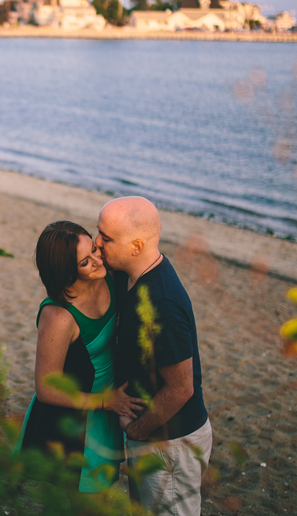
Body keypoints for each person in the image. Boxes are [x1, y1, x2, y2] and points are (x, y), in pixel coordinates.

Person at [94, 197, 211, 516]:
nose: (97, 243)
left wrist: (138, 430)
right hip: (149, 432)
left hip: (170, 440)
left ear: (136, 246)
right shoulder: (127, 275)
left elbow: (180, 388)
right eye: (98, 232)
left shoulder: (162, 303)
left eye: (106, 238)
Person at [15, 221, 145, 494]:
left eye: (95, 249)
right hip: (81, 413)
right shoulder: (59, 317)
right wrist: (104, 403)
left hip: (111, 401)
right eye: (85, 262)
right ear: (65, 272)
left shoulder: (108, 276)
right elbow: (46, 389)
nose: (99, 261)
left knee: (102, 492)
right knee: (82, 499)